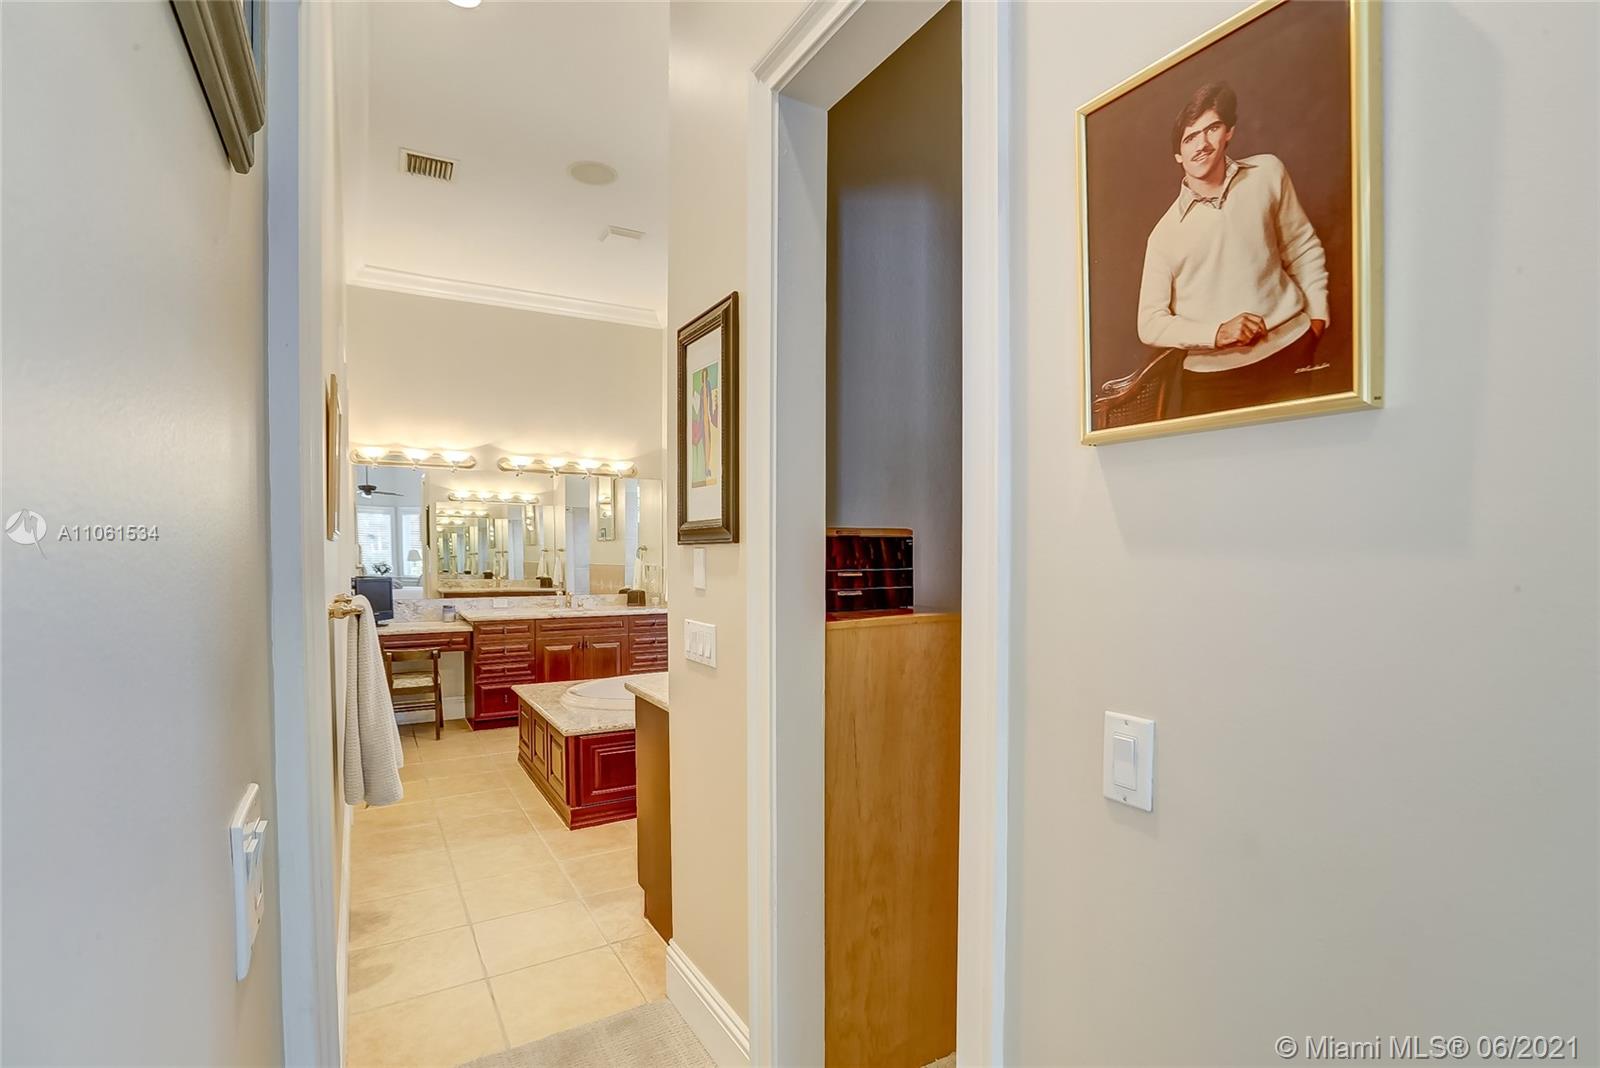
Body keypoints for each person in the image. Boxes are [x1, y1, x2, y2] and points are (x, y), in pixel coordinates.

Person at [1135, 81, 1330, 417]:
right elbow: (1150, 323)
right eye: (1190, 138)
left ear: (1229, 133)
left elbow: (1301, 246)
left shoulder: (1267, 172)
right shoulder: (1164, 234)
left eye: (1212, 129)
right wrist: (1217, 333)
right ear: (1178, 154)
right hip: (1213, 382)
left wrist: (1317, 317)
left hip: (1292, 351)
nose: (1202, 144)